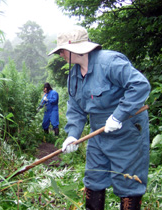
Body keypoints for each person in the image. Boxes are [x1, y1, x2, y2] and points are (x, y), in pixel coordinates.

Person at [48, 26, 151, 210]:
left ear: (74, 48)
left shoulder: (110, 62)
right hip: (98, 134)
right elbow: (76, 110)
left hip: (127, 131)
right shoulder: (73, 76)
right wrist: (73, 135)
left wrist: (118, 116)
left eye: (62, 50)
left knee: (128, 182)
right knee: (94, 178)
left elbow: (140, 85)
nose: (60, 55)